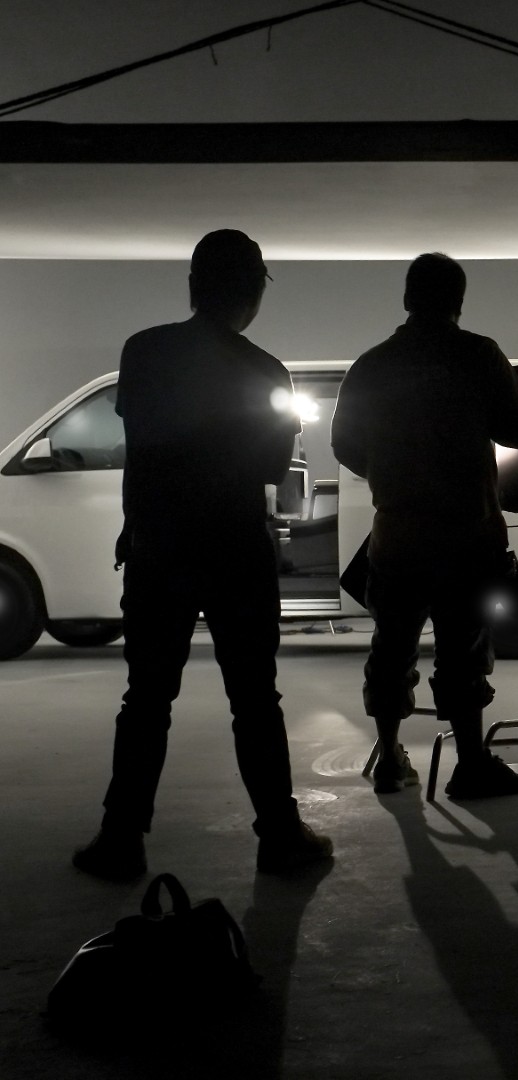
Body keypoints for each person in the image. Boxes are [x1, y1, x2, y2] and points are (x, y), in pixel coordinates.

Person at [73, 229, 334, 880]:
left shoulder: (145, 353)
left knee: (147, 698)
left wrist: (138, 525)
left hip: (158, 543)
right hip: (233, 547)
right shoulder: (264, 371)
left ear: (193, 285)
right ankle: (279, 836)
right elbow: (276, 467)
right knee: (253, 697)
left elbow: (145, 448)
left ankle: (121, 838)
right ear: (252, 295)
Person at [331, 253, 518, 799]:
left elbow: (344, 445)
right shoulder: (479, 355)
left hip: (398, 534)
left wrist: (391, 476)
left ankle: (392, 761)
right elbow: (517, 431)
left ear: (406, 299)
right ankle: (471, 765)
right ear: (458, 302)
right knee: (463, 650)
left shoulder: (372, 365)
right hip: (469, 533)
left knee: (392, 646)